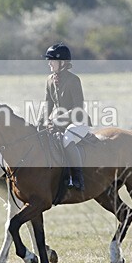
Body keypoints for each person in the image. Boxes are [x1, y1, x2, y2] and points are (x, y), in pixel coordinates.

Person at [42, 43, 91, 191]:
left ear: (62, 63)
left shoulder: (73, 80)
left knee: (67, 141)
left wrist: (56, 121)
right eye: (49, 60)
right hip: (59, 123)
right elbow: (47, 105)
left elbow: (77, 108)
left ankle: (78, 178)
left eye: (52, 60)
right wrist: (41, 122)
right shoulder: (50, 80)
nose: (49, 63)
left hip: (78, 122)